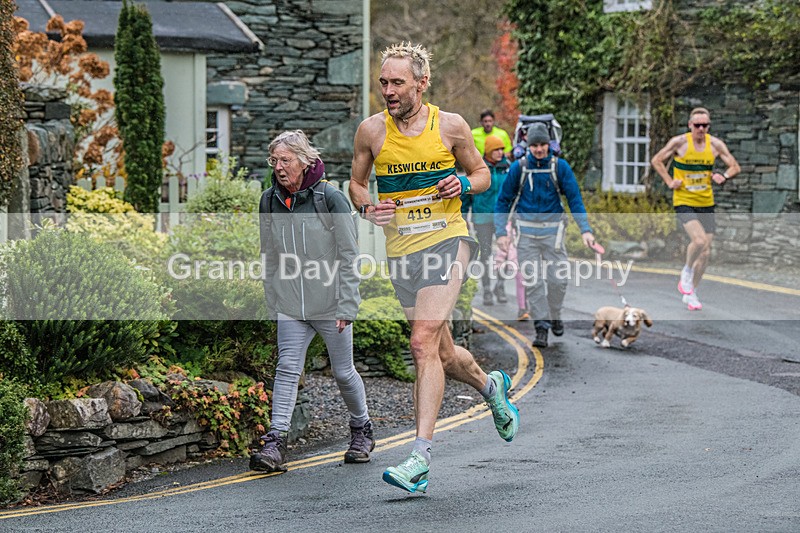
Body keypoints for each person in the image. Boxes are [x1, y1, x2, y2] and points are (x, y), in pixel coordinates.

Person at [348, 42, 520, 494]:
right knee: (442, 354)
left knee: (421, 342)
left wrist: (461, 181)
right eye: (383, 82)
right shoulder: (371, 131)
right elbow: (356, 184)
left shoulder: (451, 126)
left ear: (421, 83)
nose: (388, 90)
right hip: (402, 250)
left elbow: (482, 175)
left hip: (449, 240)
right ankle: (491, 386)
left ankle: (419, 456)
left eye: (397, 82)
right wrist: (367, 209)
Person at [250, 130, 374, 472]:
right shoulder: (269, 201)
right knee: (287, 370)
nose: (278, 167)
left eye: (285, 160)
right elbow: (269, 254)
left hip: (330, 304)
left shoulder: (330, 198)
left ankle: (361, 429)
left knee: (343, 372)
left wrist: (347, 305)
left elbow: (350, 256)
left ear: (304, 161)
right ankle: (275, 442)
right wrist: (272, 298)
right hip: (291, 304)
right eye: (274, 160)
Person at [495, 122, 596, 348]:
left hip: (554, 233)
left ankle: (555, 313)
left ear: (549, 144)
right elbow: (503, 200)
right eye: (535, 145)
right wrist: (501, 232)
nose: (539, 149)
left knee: (558, 280)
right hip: (526, 233)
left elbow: (574, 199)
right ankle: (541, 327)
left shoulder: (560, 167)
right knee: (533, 281)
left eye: (542, 145)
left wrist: (586, 230)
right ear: (528, 146)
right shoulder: (518, 168)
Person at [650, 107, 740, 311]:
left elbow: (734, 166)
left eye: (705, 125)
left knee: (706, 253)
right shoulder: (679, 143)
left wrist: (723, 176)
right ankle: (687, 271)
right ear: (690, 125)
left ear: (708, 126)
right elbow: (657, 160)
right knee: (698, 241)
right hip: (684, 199)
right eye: (697, 125)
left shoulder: (715, 145)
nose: (701, 129)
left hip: (705, 201)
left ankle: (691, 292)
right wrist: (669, 181)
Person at [460, 134, 509, 306]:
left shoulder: (508, 168)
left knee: (507, 255)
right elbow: (467, 194)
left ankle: (500, 285)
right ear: (488, 151)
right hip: (482, 219)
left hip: (504, 219)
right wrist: (464, 216)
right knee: (486, 254)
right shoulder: (478, 168)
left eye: (502, 149)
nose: (500, 152)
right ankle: (487, 288)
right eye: (496, 149)